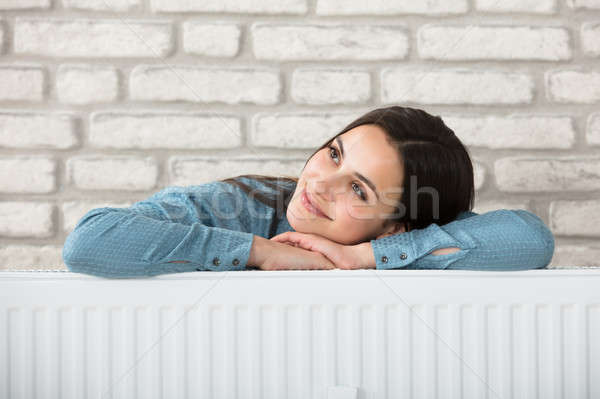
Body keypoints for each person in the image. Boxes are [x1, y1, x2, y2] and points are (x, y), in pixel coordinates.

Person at [62, 106, 555, 278]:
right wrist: (260, 253)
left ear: (397, 224)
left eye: (358, 189)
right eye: (335, 153)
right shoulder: (242, 205)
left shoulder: (408, 238)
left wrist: (364, 257)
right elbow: (91, 241)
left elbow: (531, 238)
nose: (319, 182)